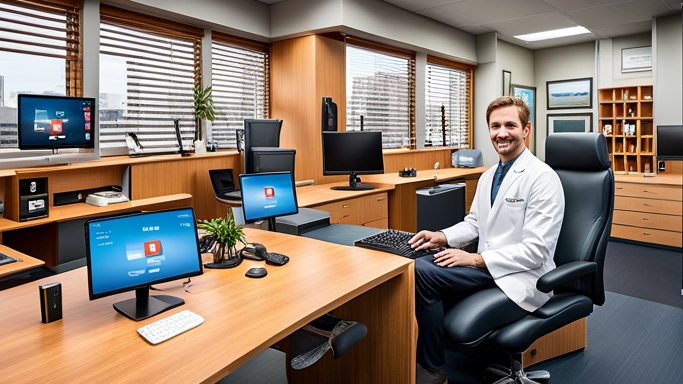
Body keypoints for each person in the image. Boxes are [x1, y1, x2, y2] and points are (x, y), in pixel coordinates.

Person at [410, 96, 565, 384]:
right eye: (495, 126)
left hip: (522, 277)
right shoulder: (489, 175)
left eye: (510, 125)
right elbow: (475, 223)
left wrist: (476, 259)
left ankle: (432, 368)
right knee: (416, 259)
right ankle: (427, 354)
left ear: (526, 130)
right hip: (489, 269)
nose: (501, 133)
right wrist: (442, 236)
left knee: (423, 273)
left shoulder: (543, 178)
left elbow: (537, 251)